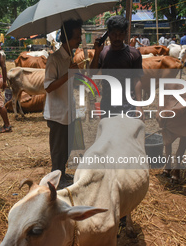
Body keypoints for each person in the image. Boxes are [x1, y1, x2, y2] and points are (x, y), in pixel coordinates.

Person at [44, 19, 81, 189]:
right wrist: (69, 74)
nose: (80, 40)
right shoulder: (54, 59)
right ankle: (56, 182)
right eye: (77, 36)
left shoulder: (70, 58)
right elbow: (49, 87)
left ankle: (62, 174)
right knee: (58, 151)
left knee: (67, 148)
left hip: (69, 111)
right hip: (58, 114)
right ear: (67, 38)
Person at [90, 15, 144, 120]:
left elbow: (137, 79)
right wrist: (97, 52)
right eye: (114, 34)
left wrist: (139, 106)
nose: (117, 38)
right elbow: (92, 72)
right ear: (108, 34)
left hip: (129, 104)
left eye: (121, 34)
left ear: (125, 34)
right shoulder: (103, 53)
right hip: (108, 103)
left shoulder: (134, 54)